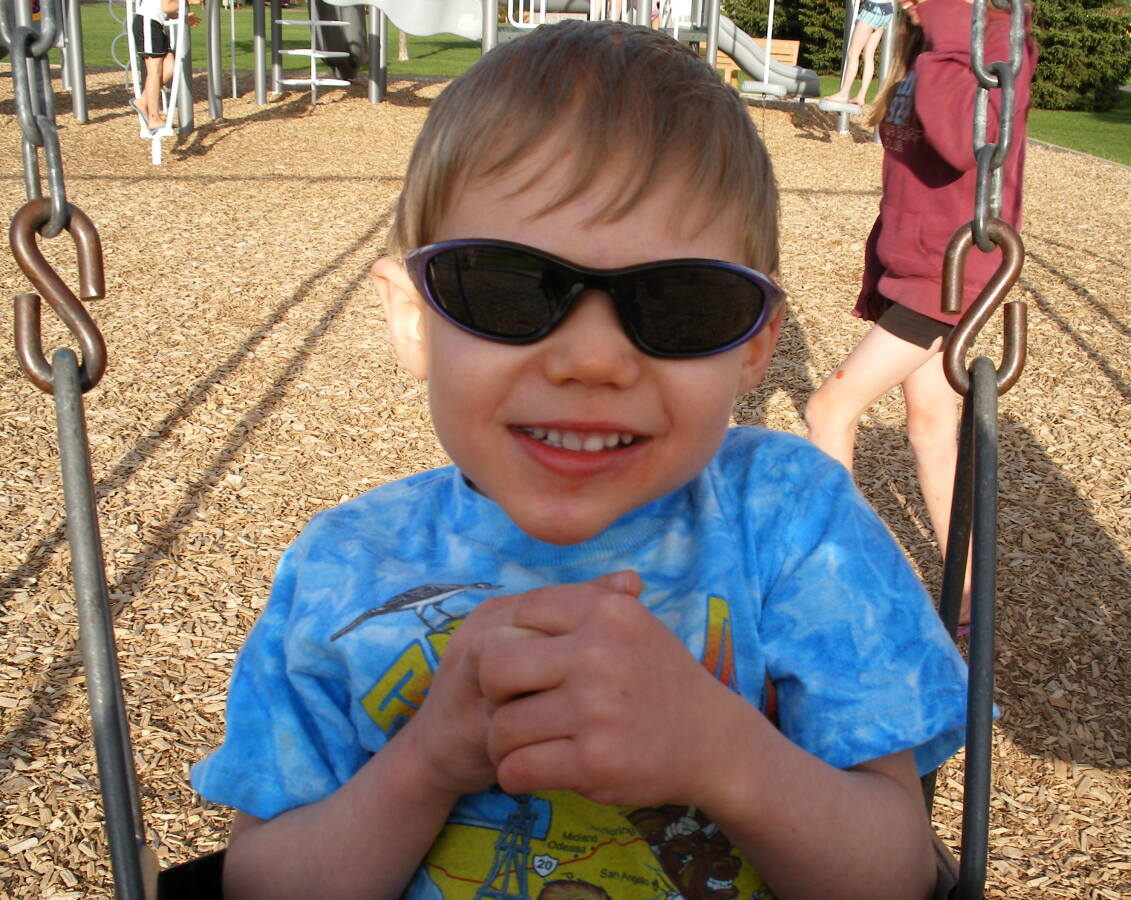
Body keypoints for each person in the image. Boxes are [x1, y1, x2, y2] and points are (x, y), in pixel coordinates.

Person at [191, 21, 970, 900]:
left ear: (754, 350)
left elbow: (894, 874)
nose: (592, 361)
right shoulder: (343, 567)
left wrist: (722, 754)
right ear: (413, 318)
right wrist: (429, 759)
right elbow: (260, 882)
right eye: (507, 287)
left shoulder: (791, 523)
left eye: (682, 304)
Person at [805, 0, 1037, 632]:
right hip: (916, 269)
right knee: (931, 426)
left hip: (950, 274)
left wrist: (942, 31)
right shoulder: (925, 41)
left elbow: (965, 147)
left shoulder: (991, 41)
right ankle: (966, 599)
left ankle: (841, 578)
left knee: (828, 410)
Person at [130, 0, 199, 132]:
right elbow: (167, 7)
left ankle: (142, 101)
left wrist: (184, 18)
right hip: (147, 23)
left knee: (170, 67)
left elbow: (169, 11)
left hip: (155, 25)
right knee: (154, 72)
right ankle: (153, 118)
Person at [822, 0, 895, 110]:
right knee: (869, 55)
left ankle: (844, 94)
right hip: (886, 11)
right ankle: (861, 96)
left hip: (872, 9)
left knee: (853, 53)